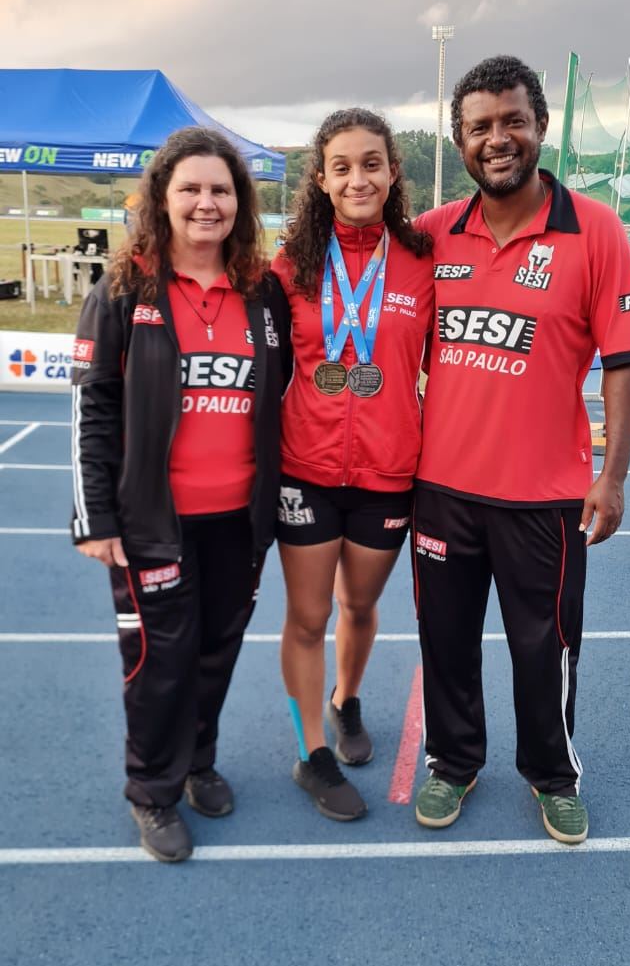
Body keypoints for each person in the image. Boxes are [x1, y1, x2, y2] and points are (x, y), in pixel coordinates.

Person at [412, 56, 630, 844]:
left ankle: (553, 774)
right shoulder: (434, 234)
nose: (498, 138)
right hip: (441, 489)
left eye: (512, 119)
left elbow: (623, 361)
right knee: (444, 643)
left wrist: (611, 478)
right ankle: (452, 761)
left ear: (541, 126)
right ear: (461, 141)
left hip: (544, 497)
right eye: (479, 126)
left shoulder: (596, 230)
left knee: (543, 649)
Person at [70, 127, 291, 862]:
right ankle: (152, 792)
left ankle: (198, 762)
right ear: (161, 200)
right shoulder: (124, 291)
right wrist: (94, 517)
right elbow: (92, 407)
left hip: (238, 520)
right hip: (149, 525)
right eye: (190, 189)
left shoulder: (262, 294)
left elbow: (280, 399)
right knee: (159, 664)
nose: (206, 203)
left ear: (240, 202)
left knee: (215, 650)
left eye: (220, 190)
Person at [272, 108, 434, 820]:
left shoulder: (423, 263)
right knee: (307, 617)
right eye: (343, 166)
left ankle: (346, 700)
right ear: (322, 178)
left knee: (359, 605)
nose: (358, 177)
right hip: (304, 467)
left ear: (393, 172)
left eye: (372, 163)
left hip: (388, 471)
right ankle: (313, 753)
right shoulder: (292, 266)